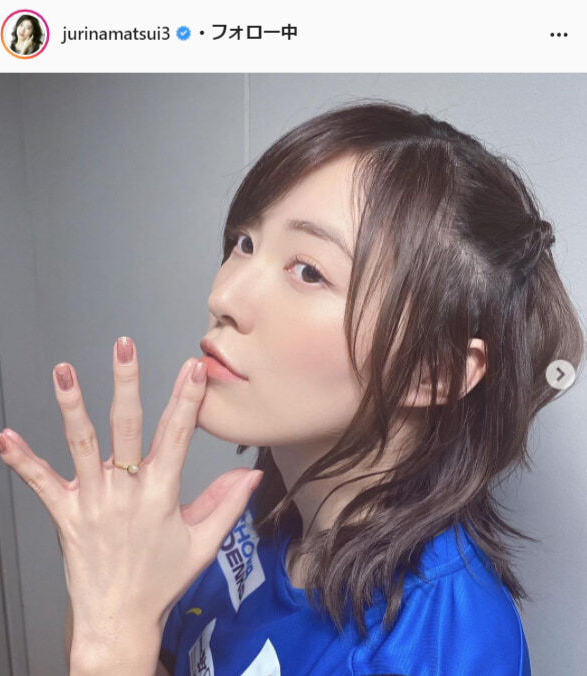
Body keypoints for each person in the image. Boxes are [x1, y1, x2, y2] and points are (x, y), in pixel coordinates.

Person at [158, 100, 584, 674]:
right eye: (245, 243)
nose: (224, 296)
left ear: (432, 370)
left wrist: (109, 626)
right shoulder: (251, 516)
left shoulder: (435, 649)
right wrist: (120, 593)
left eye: (309, 271)